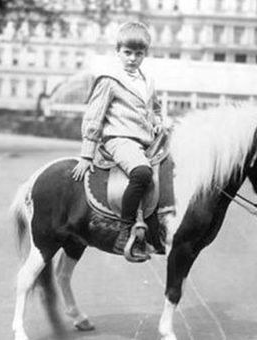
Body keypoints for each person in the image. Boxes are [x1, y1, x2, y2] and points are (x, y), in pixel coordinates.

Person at [72, 21, 163, 261]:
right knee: (142, 173)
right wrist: (86, 154)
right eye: (128, 53)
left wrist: (158, 121)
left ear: (145, 54)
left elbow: (154, 108)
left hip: (145, 141)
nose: (133, 58)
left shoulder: (147, 81)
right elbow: (94, 116)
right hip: (119, 139)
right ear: (118, 52)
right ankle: (125, 230)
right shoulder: (109, 79)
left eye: (139, 53)